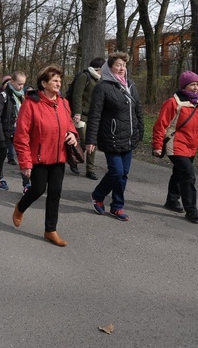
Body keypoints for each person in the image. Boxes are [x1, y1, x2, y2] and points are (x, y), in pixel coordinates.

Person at [12, 65, 79, 247]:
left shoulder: (64, 102)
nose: (58, 83)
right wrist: (25, 162)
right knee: (38, 189)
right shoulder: (31, 104)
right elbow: (21, 136)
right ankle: (20, 207)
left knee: (55, 192)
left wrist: (73, 134)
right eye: (54, 80)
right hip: (38, 158)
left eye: (59, 80)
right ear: (44, 83)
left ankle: (50, 230)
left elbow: (69, 124)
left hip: (59, 156)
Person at [152, 71, 198, 223]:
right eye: (192, 84)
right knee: (188, 175)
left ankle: (172, 201)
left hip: (191, 147)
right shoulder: (173, 102)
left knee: (179, 173)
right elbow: (160, 125)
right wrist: (157, 145)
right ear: (184, 86)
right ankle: (191, 210)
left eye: (197, 84)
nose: (195, 87)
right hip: (175, 145)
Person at [85, 51, 144, 221]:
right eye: (118, 65)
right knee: (116, 172)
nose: (122, 68)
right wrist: (90, 139)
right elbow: (95, 114)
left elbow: (138, 108)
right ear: (109, 67)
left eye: (124, 65)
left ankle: (117, 207)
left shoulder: (131, 85)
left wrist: (140, 130)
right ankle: (98, 195)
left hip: (129, 137)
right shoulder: (102, 87)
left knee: (124, 174)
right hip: (110, 137)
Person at [68, 57, 105, 179]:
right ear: (99, 68)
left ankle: (90, 169)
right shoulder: (85, 76)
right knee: (85, 140)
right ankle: (73, 159)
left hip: (93, 117)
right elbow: (77, 95)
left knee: (91, 141)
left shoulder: (100, 80)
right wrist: (77, 113)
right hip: (81, 115)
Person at [0, 71, 28, 191]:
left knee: (22, 155)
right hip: (6, 130)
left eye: (23, 84)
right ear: (12, 82)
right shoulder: (3, 95)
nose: (21, 86)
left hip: (19, 131)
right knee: (2, 153)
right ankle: (0, 179)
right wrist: (1, 138)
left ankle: (26, 184)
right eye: (19, 84)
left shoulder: (21, 96)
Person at [0, 76, 20, 165]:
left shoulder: (16, 95)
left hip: (13, 124)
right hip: (3, 123)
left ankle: (10, 157)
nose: (8, 85)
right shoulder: (0, 95)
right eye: (6, 83)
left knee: (12, 141)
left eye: (10, 83)